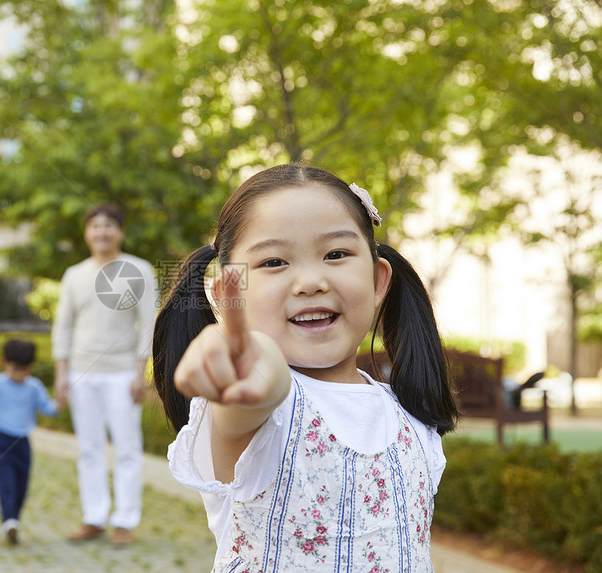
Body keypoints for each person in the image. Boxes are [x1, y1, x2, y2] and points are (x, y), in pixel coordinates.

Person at [153, 164, 460, 572]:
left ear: (377, 281)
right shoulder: (258, 415)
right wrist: (246, 362)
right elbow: (261, 388)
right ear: (229, 296)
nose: (310, 281)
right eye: (275, 262)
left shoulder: (408, 416)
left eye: (336, 254)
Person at [52, 203, 158, 545]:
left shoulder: (139, 269)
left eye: (109, 226)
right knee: (89, 448)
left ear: (120, 232)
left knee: (127, 447)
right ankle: (94, 517)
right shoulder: (74, 274)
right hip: (81, 373)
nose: (102, 232)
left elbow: (149, 325)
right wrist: (61, 374)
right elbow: (63, 327)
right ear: (86, 233)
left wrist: (140, 374)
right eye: (95, 226)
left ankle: (125, 520)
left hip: (122, 373)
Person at [0, 339, 58, 546]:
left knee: (22, 484)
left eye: (25, 369)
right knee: (6, 480)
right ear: (5, 363)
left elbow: (48, 407)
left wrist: (60, 402)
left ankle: (13, 521)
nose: (20, 374)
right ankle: (8, 519)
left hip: (23, 442)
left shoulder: (34, 386)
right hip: (0, 439)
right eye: (16, 368)